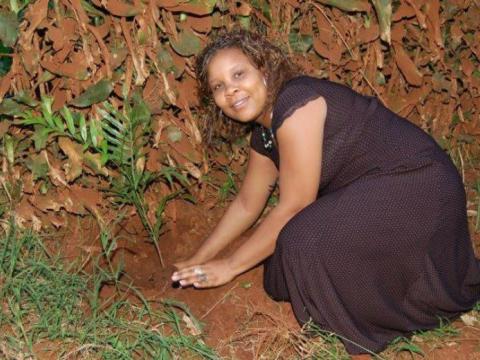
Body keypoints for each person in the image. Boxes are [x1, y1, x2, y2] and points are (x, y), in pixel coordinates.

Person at [170, 29, 480, 355]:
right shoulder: (264, 136)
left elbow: (295, 206)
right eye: (218, 86)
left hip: (418, 185)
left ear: (263, 71)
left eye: (238, 74)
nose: (231, 89)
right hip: (377, 192)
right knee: (281, 268)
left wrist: (230, 266)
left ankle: (400, 306)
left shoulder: (297, 100)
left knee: (300, 240)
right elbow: (248, 204)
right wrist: (198, 259)